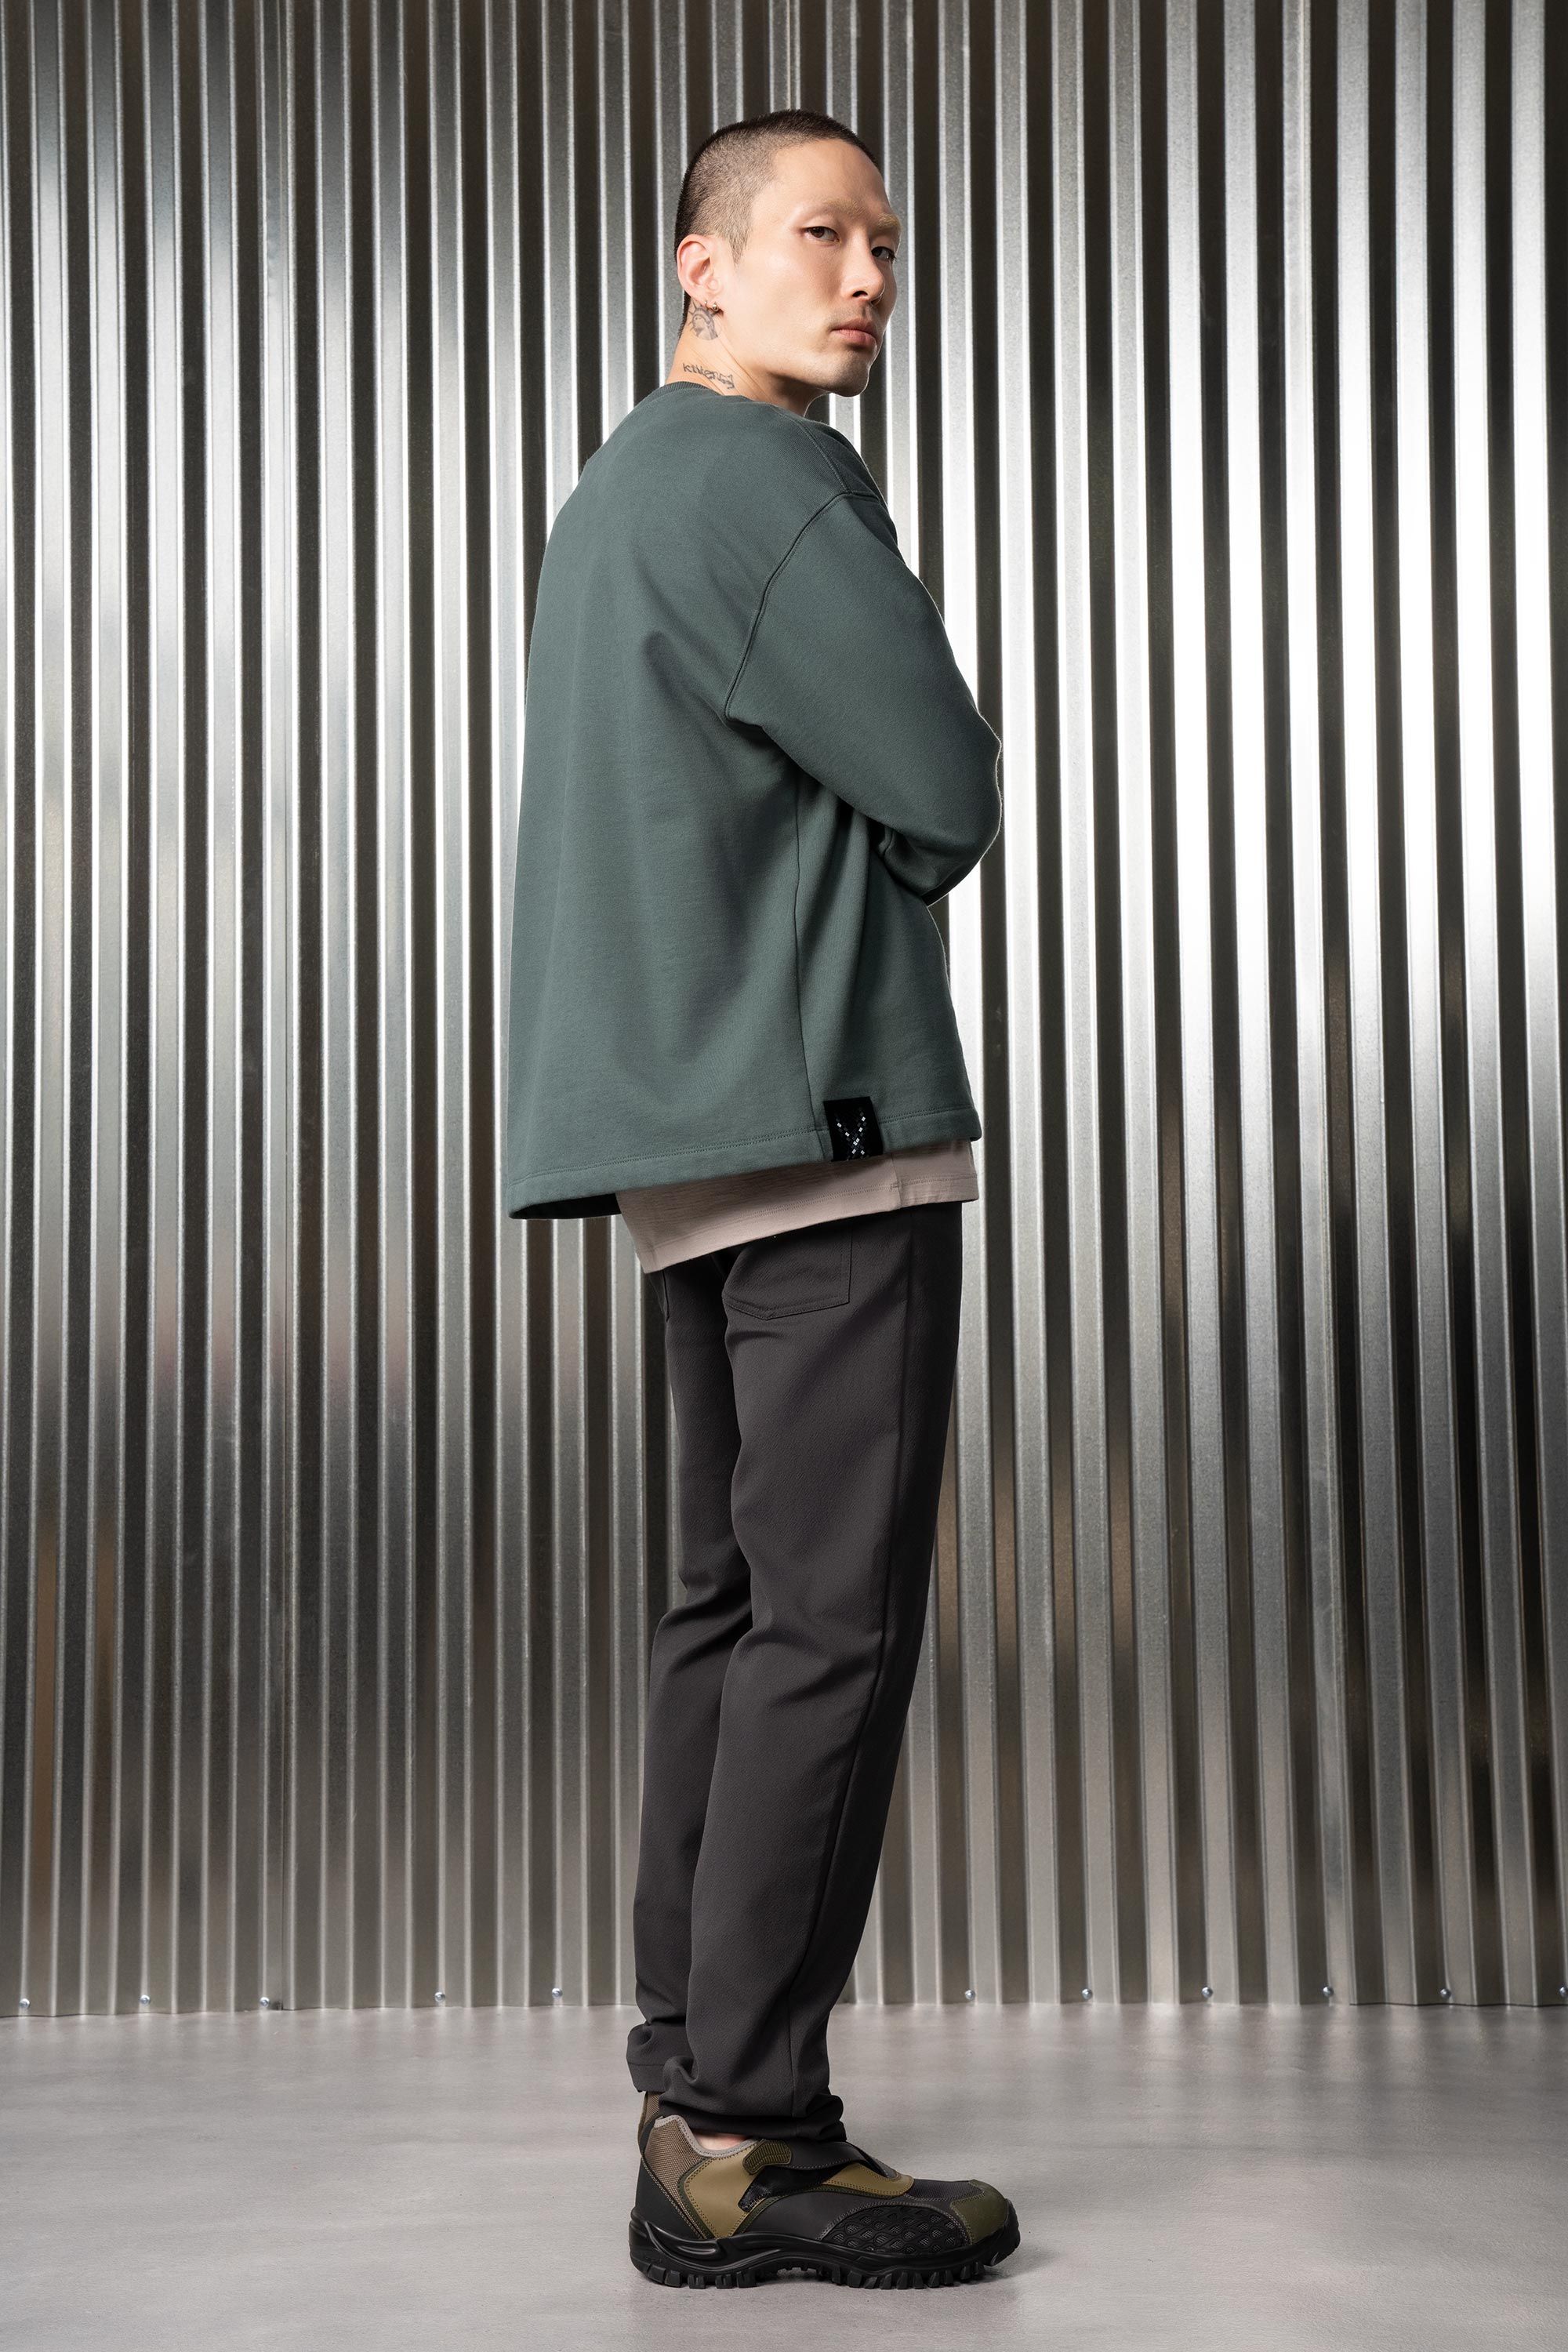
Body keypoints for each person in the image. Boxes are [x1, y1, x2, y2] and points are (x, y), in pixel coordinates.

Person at [503, 106, 1018, 2289]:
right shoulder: (773, 480)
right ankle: (755, 2141)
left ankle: (685, 2087)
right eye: (822, 234)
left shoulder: (621, 486)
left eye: (885, 243)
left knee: (726, 1618)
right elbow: (946, 782)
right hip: (822, 1123)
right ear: (703, 264)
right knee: (830, 1631)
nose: (869, 275)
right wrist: (888, 842)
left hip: (688, 1141)